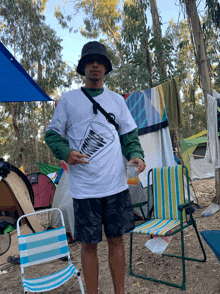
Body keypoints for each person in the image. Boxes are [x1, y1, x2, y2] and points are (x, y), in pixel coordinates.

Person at [45, 41, 146, 294]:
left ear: (105, 67)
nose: (95, 65)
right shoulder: (68, 101)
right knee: (88, 245)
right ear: (83, 67)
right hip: (84, 190)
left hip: (116, 186)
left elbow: (129, 136)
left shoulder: (116, 101)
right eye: (90, 61)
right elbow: (53, 135)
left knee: (117, 241)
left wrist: (136, 155)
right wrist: (66, 152)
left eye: (100, 61)